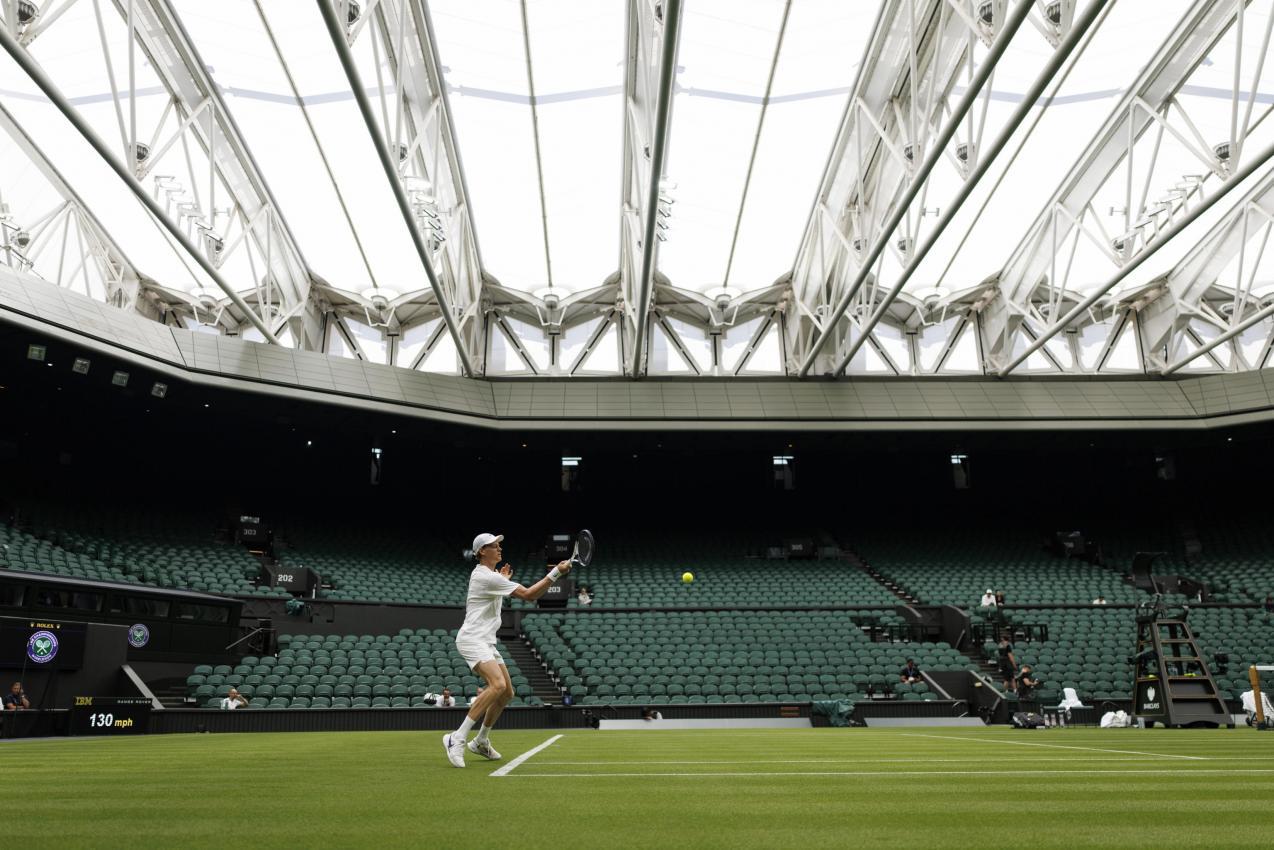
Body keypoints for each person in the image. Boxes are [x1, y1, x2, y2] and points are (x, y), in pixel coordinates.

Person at [443, 533, 571, 768]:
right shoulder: (485, 577)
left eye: (500, 545)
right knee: (497, 685)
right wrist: (557, 572)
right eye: (494, 546)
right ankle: (457, 737)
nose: (500, 548)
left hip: (486, 641)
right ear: (482, 551)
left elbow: (495, 593)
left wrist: (500, 577)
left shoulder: (491, 577)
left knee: (507, 693)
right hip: (472, 639)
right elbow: (530, 595)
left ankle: (480, 741)